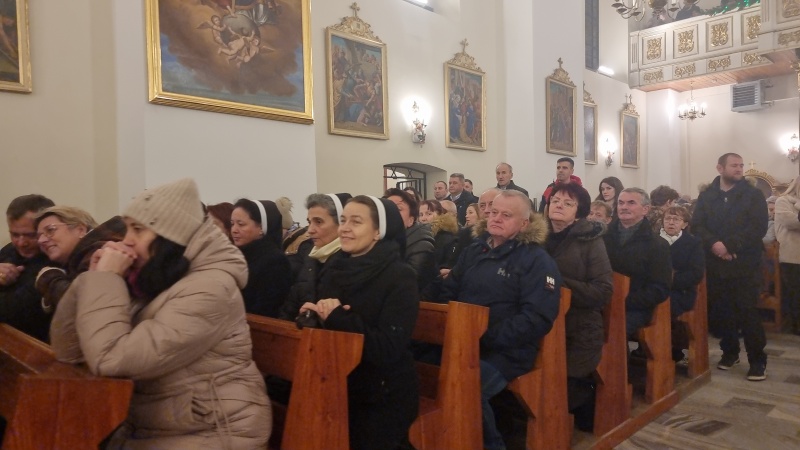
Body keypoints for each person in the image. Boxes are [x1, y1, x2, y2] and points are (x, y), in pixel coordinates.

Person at [49, 178, 271, 449]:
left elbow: (111, 359)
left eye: (138, 230)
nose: (126, 241)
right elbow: (68, 350)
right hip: (158, 428)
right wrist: (92, 280)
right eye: (127, 228)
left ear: (170, 237)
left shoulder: (210, 288)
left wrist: (106, 280)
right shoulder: (156, 277)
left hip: (215, 434)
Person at [440, 190, 561, 450]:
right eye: (493, 212)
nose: (496, 218)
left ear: (524, 224)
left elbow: (537, 317)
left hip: (507, 352)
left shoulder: (537, 261)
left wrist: (484, 336)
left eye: (506, 215)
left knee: (466, 386)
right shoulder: (474, 250)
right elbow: (448, 290)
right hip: (463, 343)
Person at [299, 196, 419, 450]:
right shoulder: (335, 268)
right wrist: (313, 317)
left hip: (382, 391)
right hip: (338, 380)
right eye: (343, 221)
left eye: (356, 222)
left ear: (378, 231)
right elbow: (331, 322)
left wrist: (337, 317)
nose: (344, 228)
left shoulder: (400, 276)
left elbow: (388, 347)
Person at [692, 153, 768, 381]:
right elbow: (697, 225)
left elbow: (758, 227)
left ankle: (757, 361)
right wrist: (715, 244)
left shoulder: (753, 195)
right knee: (722, 311)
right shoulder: (707, 195)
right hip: (715, 262)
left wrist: (730, 246)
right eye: (734, 165)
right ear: (720, 168)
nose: (739, 169)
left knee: (748, 312)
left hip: (744, 262)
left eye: (741, 165)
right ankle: (730, 352)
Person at [545, 183, 612, 433]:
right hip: (542, 319)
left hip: (579, 323)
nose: (559, 205)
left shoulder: (590, 240)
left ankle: (566, 420)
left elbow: (603, 291)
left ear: (579, 212)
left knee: (569, 381)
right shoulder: (536, 236)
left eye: (568, 203)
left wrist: (556, 283)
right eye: (555, 200)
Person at [603, 188, 672, 336]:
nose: (624, 207)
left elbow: (660, 288)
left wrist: (624, 300)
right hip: (602, 302)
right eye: (621, 203)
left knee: (613, 329)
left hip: (635, 307)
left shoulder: (657, 244)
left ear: (645, 209)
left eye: (631, 203)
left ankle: (620, 352)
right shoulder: (603, 237)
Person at [34, 207, 126, 315]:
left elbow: (84, 305)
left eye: (50, 230)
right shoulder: (76, 259)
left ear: (80, 230)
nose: (41, 241)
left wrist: (50, 280)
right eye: (38, 236)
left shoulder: (100, 252)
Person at [279, 193, 351, 320]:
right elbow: (291, 305)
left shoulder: (349, 261)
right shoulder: (311, 257)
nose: (310, 230)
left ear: (341, 224)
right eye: (309, 222)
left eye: (318, 222)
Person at [0, 194, 55, 342]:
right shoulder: (9, 250)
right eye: (14, 235)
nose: (21, 243)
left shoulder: (55, 260)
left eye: (30, 235)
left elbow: (12, 309)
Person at [231, 198, 292, 317]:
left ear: (261, 228)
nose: (234, 230)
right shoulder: (236, 255)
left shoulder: (275, 261)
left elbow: (267, 309)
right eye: (232, 224)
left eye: (241, 224)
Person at [659, 205, 704, 364]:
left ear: (684, 224)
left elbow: (696, 273)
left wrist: (669, 280)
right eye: (668, 218)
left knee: (663, 305)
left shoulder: (693, 243)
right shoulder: (654, 240)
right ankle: (646, 346)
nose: (671, 222)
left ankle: (670, 349)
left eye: (676, 219)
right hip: (655, 287)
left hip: (681, 291)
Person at [385, 188, 436, 292]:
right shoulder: (379, 238)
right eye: (386, 208)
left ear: (411, 220)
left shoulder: (422, 244)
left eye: (398, 208)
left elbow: (406, 283)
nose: (390, 212)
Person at [774, 177, 800, 335]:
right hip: (792, 255)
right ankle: (796, 324)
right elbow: (791, 222)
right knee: (795, 292)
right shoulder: (783, 201)